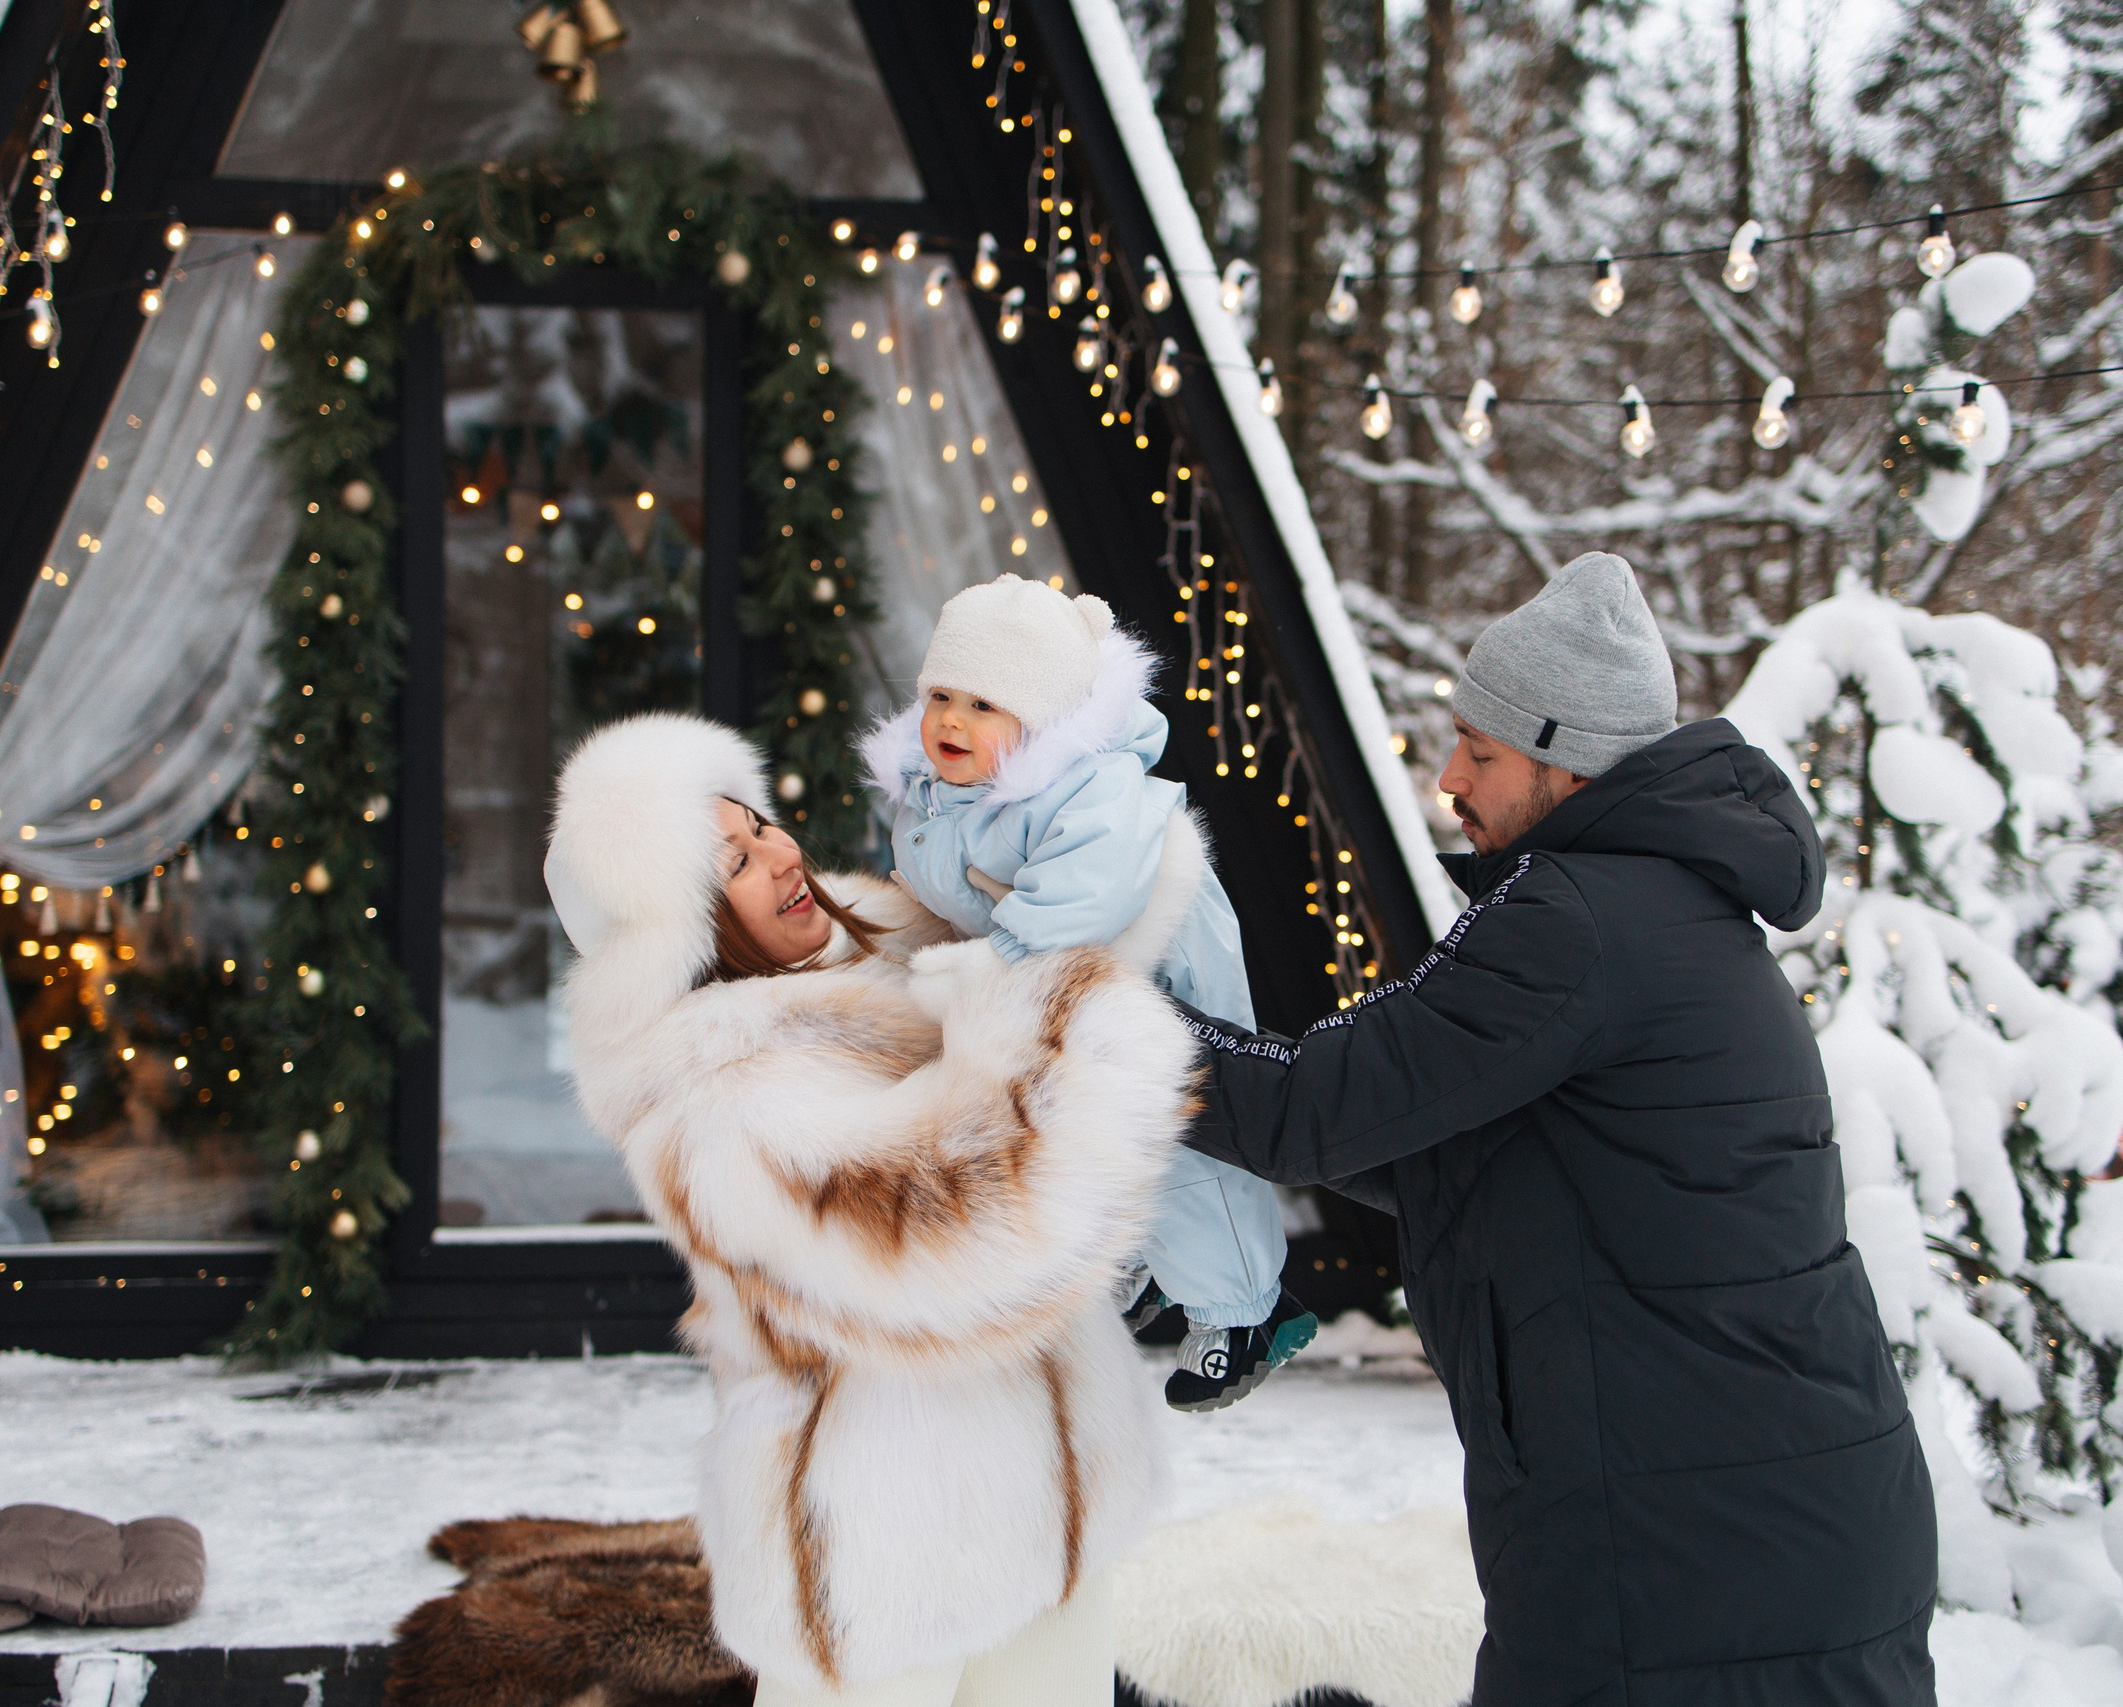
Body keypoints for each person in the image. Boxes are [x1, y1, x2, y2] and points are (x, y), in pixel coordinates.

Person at [1176, 552, 1938, 1707]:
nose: (1447, 780)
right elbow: (1437, 1150)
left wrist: (1091, 1020)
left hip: (1692, 1547)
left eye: (1479, 753)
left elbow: (1308, 1113)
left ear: (1562, 760)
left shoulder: (1575, 922)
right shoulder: (1665, 909)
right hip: (1763, 1522)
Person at [544, 710, 1202, 1707]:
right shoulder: (722, 1105)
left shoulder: (881, 949)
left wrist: (1103, 856)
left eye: (758, 824)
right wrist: (1077, 1021)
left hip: (1047, 1499)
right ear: (677, 926)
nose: (776, 856)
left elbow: (1050, 937)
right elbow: (956, 1226)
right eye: (729, 864)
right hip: (882, 1548)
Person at [860, 573, 1311, 1411]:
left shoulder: (1089, 789)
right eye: (942, 695)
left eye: (985, 704)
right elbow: (945, 882)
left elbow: (1087, 895)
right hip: (1051, 975)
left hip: (1159, 969)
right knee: (1064, 1131)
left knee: (1182, 1136)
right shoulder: (936, 790)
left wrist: (997, 959)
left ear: (1043, 720)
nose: (953, 720)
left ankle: (1247, 1307)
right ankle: (1134, 1264)